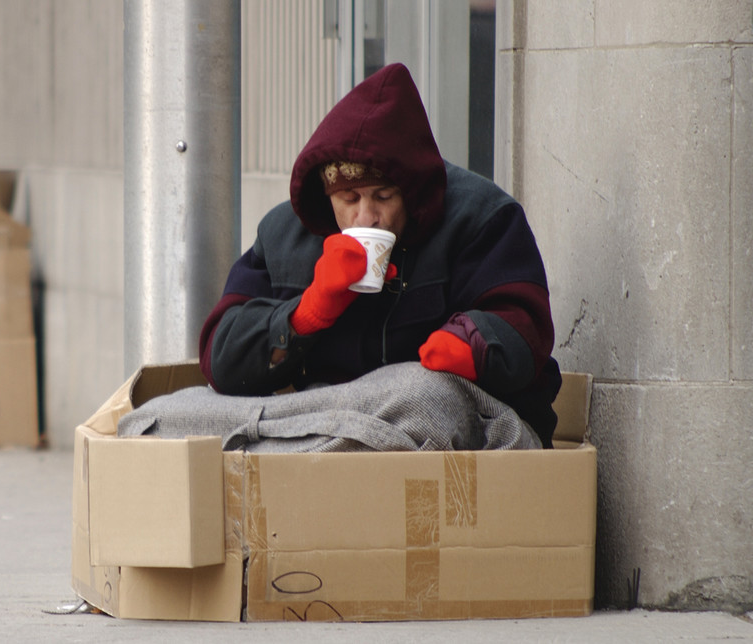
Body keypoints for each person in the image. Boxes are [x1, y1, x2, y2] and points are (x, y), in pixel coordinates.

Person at [198, 62, 562, 448]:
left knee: (422, 394)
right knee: (191, 414)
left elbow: (527, 325)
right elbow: (220, 358)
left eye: (384, 197)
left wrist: (473, 343)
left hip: (452, 421)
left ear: (412, 191)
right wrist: (305, 315)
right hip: (335, 420)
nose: (366, 216)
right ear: (327, 195)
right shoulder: (283, 234)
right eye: (349, 199)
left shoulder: (480, 217)